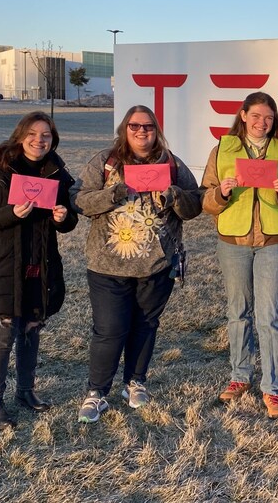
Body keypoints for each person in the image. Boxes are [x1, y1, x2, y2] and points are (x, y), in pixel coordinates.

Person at [71, 105, 202, 423]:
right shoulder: (106, 161)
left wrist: (173, 196)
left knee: (145, 325)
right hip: (108, 265)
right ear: (124, 130)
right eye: (134, 126)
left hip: (157, 264)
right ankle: (97, 392)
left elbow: (195, 203)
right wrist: (112, 194)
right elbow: (79, 199)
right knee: (110, 329)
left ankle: (135, 381)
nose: (142, 132)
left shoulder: (171, 163)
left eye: (148, 126)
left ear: (156, 130)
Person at [0, 111, 78, 431]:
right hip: (4, 265)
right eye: (32, 133)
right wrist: (10, 213)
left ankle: (26, 391)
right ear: (20, 135)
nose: (39, 140)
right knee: (3, 335)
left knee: (31, 331)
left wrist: (61, 217)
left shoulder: (56, 172)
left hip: (40, 265)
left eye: (46, 135)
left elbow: (69, 221)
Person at [201, 92, 278, 419]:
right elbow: (204, 199)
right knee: (239, 311)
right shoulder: (222, 151)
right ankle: (239, 376)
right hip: (233, 241)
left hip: (272, 242)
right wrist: (221, 193)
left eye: (269, 118)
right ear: (244, 115)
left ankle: (273, 388)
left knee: (271, 316)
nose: (262, 123)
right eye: (257, 116)